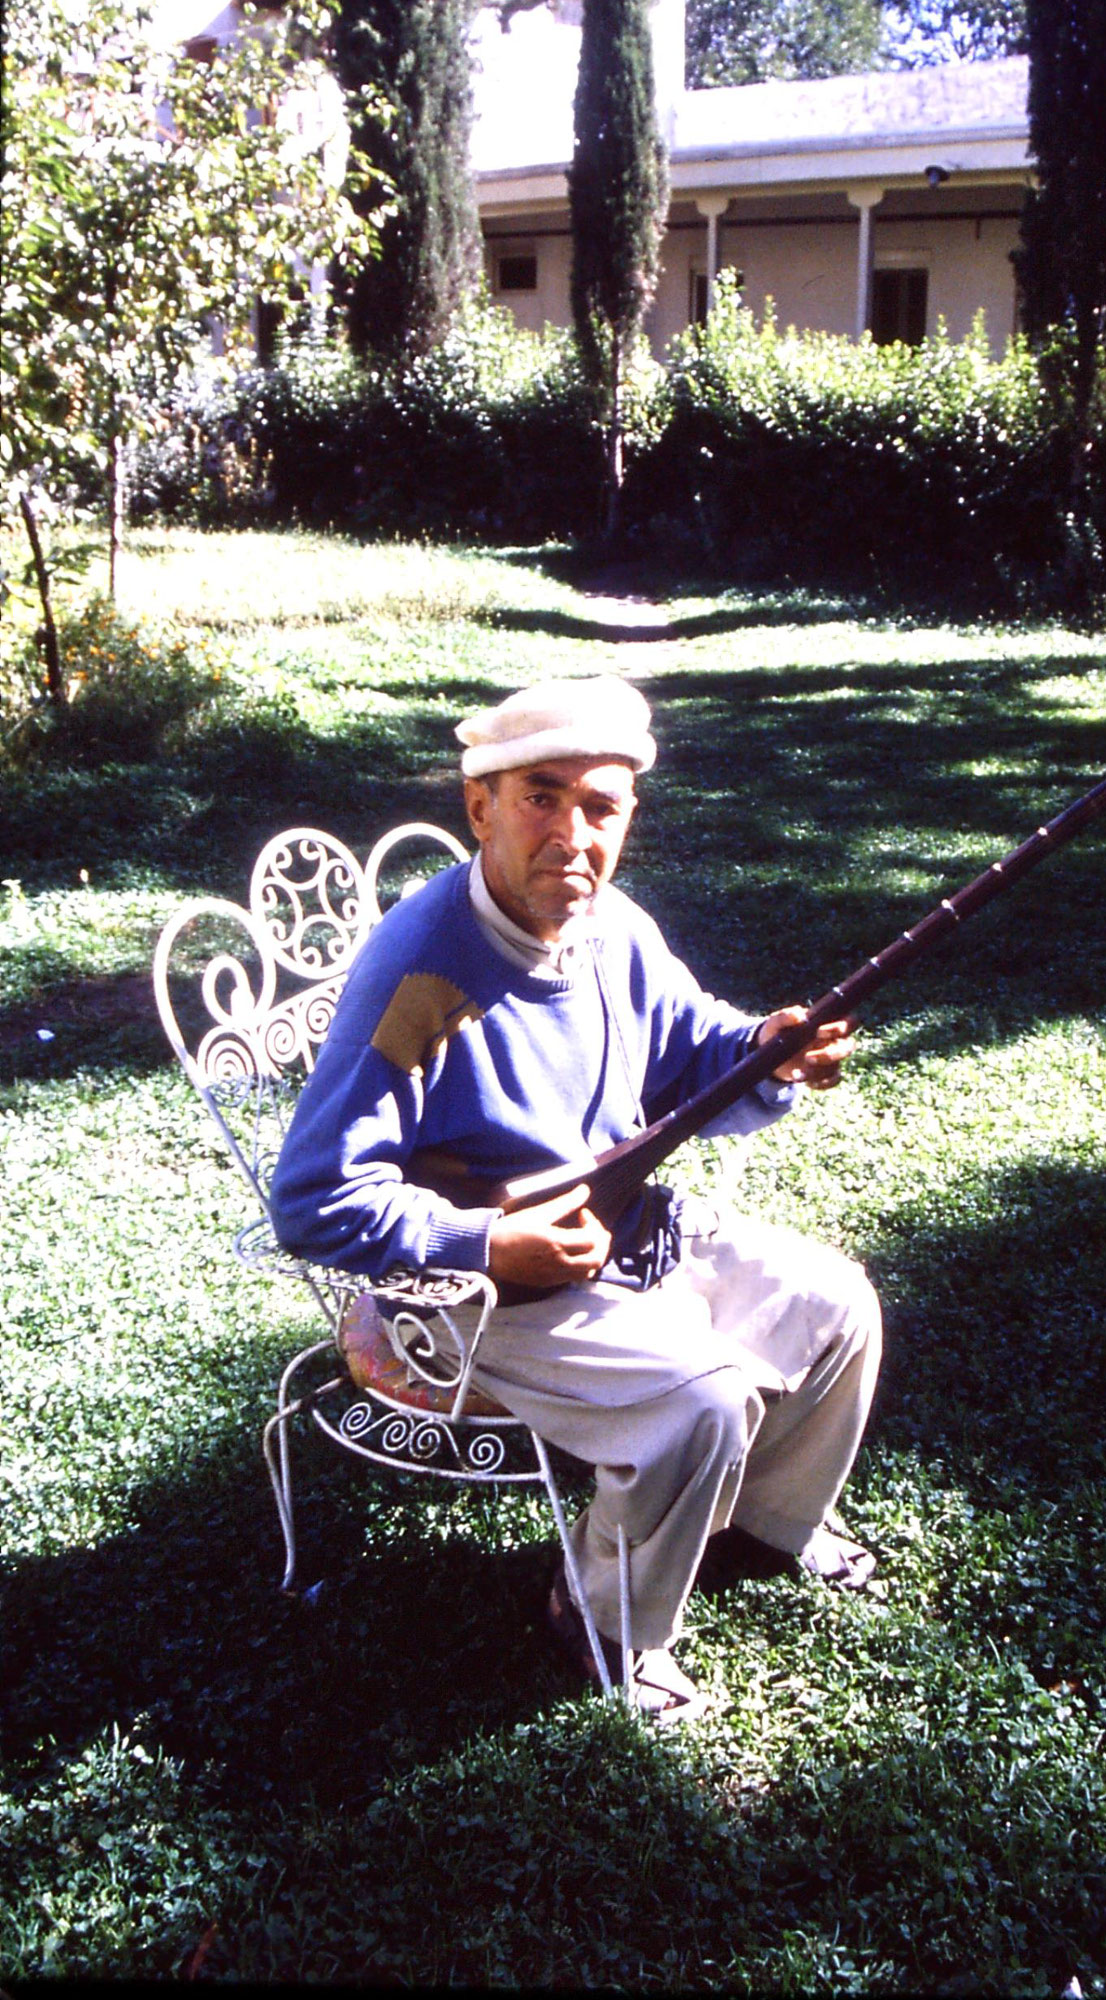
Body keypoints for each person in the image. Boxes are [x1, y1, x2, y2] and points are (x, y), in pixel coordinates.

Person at [270, 675, 881, 1720]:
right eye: (540, 797)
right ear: (481, 807)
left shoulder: (613, 927)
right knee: (702, 1396)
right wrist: (485, 1240)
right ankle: (601, 1611)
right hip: (470, 1294)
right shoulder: (422, 978)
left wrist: (767, 1051)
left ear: (627, 817)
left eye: (599, 807)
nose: (571, 834)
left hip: (618, 1229)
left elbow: (695, 1046)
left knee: (838, 1305)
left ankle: (766, 1519)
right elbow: (317, 1195)